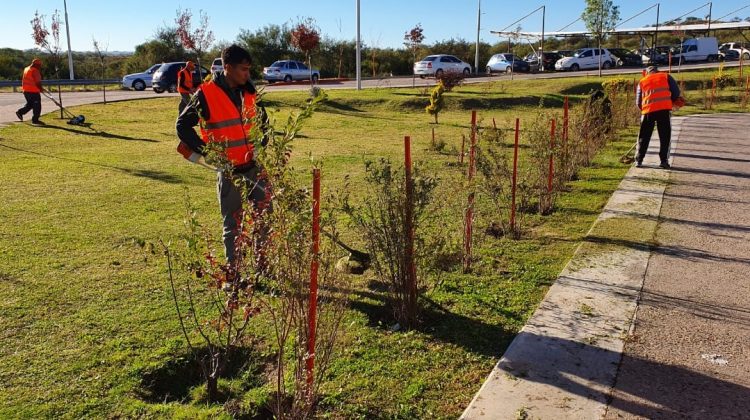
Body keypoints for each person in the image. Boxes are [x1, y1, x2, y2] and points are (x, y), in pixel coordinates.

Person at [176, 45, 270, 275]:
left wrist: (263, 143)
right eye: (243, 69)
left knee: (266, 217)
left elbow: (263, 120)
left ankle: (264, 269)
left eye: (249, 69)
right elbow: (182, 126)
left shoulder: (249, 91)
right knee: (233, 226)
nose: (248, 74)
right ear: (227, 68)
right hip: (229, 172)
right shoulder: (205, 95)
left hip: (254, 167)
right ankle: (234, 274)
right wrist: (209, 153)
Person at [635, 65, 681, 169]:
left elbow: (638, 101)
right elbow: (676, 93)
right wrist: (671, 101)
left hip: (648, 111)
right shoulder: (666, 76)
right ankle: (664, 161)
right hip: (664, 110)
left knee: (644, 136)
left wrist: (644, 110)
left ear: (646, 72)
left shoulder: (642, 81)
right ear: (657, 71)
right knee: (665, 136)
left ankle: (639, 159)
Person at [16, 58, 44, 125]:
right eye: (39, 65)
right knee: (37, 106)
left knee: (30, 104)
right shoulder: (35, 71)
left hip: (26, 91)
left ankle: (20, 112)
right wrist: (41, 89)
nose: (40, 67)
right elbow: (37, 82)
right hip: (33, 91)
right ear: (36, 65)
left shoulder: (27, 69)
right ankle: (35, 120)